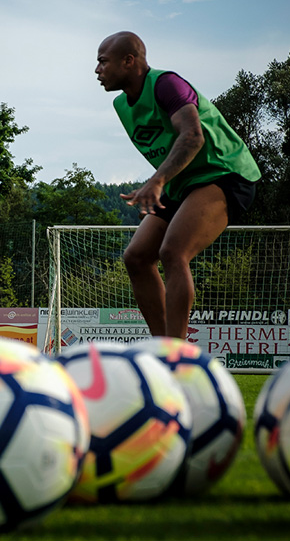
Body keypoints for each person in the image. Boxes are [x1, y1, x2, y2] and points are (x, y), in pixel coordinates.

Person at [95, 31, 261, 339]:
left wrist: (156, 180)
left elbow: (193, 136)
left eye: (103, 62)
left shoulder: (167, 84)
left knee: (173, 252)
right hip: (182, 183)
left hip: (223, 173)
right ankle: (162, 349)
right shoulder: (122, 105)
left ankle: (177, 352)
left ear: (129, 61)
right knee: (137, 257)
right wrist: (160, 182)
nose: (97, 70)